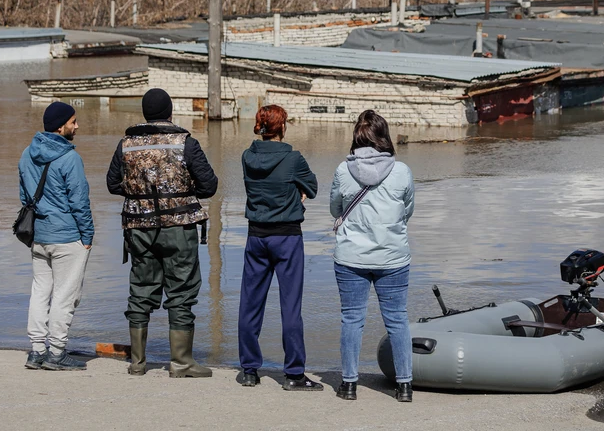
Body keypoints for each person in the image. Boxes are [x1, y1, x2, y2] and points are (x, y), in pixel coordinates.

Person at [106, 88, 218, 378]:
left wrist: (140, 195)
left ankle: (137, 363)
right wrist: (181, 194)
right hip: (178, 228)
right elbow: (210, 186)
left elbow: (112, 184)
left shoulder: (126, 144)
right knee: (181, 291)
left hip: (138, 229)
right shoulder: (185, 143)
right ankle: (181, 363)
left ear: (144, 114)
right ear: (170, 113)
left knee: (141, 290)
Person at [330, 110, 415, 402]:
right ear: (384, 136)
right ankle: (404, 386)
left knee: (352, 320)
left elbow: (335, 209)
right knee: (397, 320)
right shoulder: (402, 171)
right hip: (392, 258)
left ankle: (349, 384)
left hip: (351, 257)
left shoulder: (343, 170)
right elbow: (408, 210)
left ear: (357, 136)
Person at [237, 105, 322, 391]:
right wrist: (296, 193)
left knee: (250, 304)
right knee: (290, 307)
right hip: (287, 237)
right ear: (282, 127)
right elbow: (312, 187)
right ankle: (294, 374)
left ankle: (249, 370)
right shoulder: (293, 157)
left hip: (256, 236)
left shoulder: (247, 156)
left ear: (259, 126)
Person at [20, 101, 94, 371]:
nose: (77, 126)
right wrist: (87, 236)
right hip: (66, 237)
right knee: (65, 296)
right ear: (61, 126)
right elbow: (80, 203)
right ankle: (57, 352)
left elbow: (24, 197)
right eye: (73, 122)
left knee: (40, 293)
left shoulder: (27, 153)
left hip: (39, 236)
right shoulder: (70, 158)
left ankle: (37, 351)